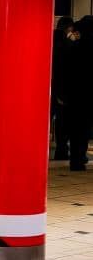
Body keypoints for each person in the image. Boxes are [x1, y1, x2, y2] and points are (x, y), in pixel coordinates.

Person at [62, 15, 93, 171]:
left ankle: (76, 159)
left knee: (76, 128)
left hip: (75, 95)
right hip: (89, 95)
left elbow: (66, 73)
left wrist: (64, 94)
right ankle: (80, 156)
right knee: (85, 128)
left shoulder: (74, 48)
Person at [51, 16, 74, 161]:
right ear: (68, 28)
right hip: (61, 91)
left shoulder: (47, 41)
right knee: (62, 123)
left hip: (45, 89)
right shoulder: (67, 45)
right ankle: (61, 150)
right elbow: (65, 71)